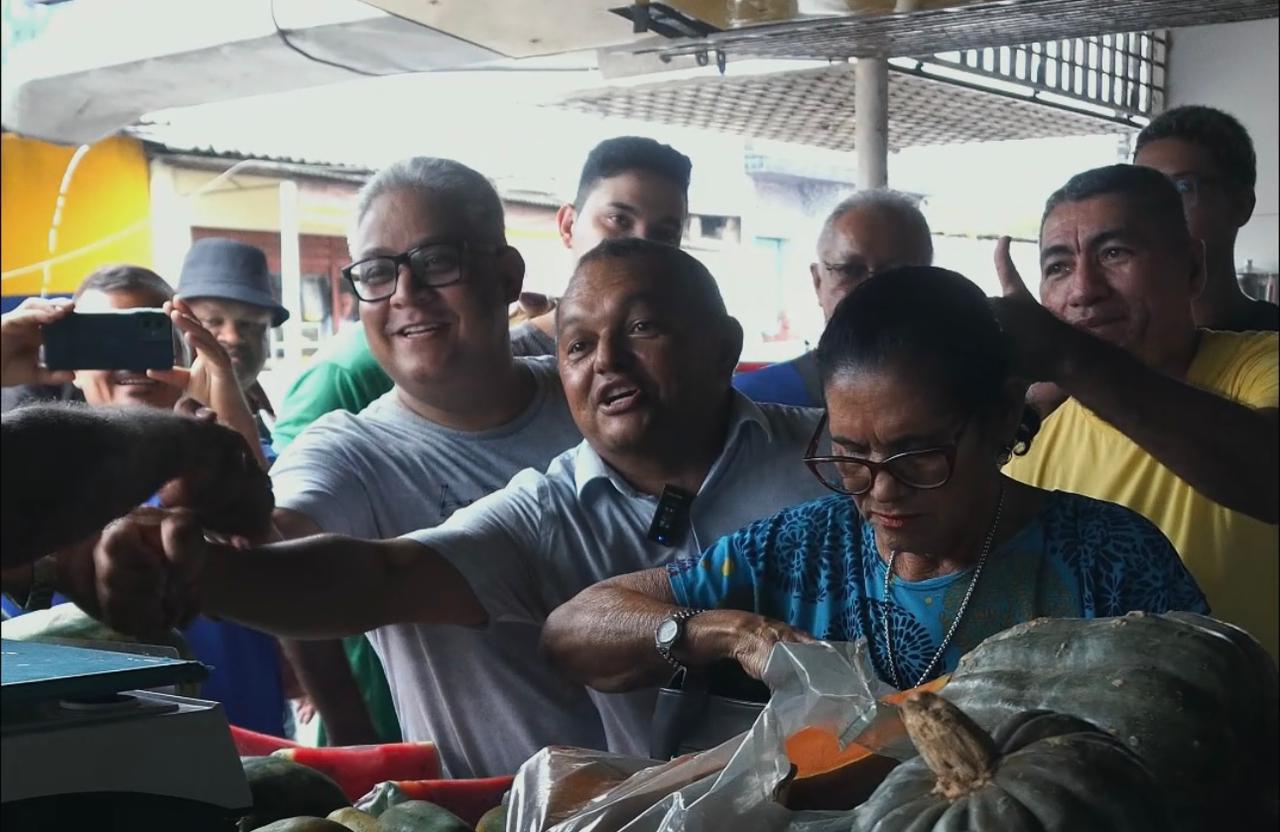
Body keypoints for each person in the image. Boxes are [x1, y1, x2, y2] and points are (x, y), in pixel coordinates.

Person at [77, 237, 830, 767]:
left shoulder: (835, 460)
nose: (607, 361)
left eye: (641, 327)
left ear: (725, 345)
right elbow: (382, 577)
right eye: (576, 345)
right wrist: (204, 574)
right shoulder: (545, 512)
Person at [541, 266, 1208, 694]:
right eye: (852, 456)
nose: (880, 493)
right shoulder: (806, 550)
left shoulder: (1112, 562)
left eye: (917, 456)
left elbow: (1215, 740)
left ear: (1002, 416)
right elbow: (574, 628)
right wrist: (724, 631)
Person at [261, 156, 594, 770]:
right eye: (377, 273)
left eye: (438, 261)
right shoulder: (353, 451)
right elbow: (277, 539)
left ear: (506, 275)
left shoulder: (597, 401)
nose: (406, 295)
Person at [998, 164, 1278, 659]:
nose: (1084, 289)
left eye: (1114, 253)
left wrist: (1068, 357)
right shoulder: (1031, 437)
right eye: (1058, 266)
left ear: (1192, 268)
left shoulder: (1260, 365)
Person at [269, 135, 693, 455]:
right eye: (618, 219)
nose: (405, 294)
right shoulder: (347, 422)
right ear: (567, 225)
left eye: (435, 262)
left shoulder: (671, 362)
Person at [6, 265, 290, 736]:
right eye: (101, 336)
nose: (131, 360)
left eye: (148, 331)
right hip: (81, 763)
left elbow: (286, 567)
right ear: (68, 363)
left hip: (250, 756)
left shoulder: (254, 459)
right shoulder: (37, 488)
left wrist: (231, 428)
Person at [0, 297, 271, 566]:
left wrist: (233, 442)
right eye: (103, 338)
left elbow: (274, 561)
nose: (132, 363)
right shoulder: (43, 468)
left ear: (187, 356)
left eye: (153, 335)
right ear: (75, 368)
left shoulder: (218, 461)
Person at [732, 189, 933, 407]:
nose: (871, 288)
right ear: (817, 281)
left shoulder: (963, 401)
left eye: (896, 273)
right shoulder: (753, 406)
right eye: (850, 270)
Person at [1134, 105, 1279, 333]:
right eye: (1141, 189)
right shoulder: (1115, 341)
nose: (1152, 210)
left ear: (1240, 205)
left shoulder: (1270, 342)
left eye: (1182, 188)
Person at [177, 237, 292, 459]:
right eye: (212, 321)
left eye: (249, 324)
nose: (233, 337)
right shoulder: (145, 422)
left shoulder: (267, 420)